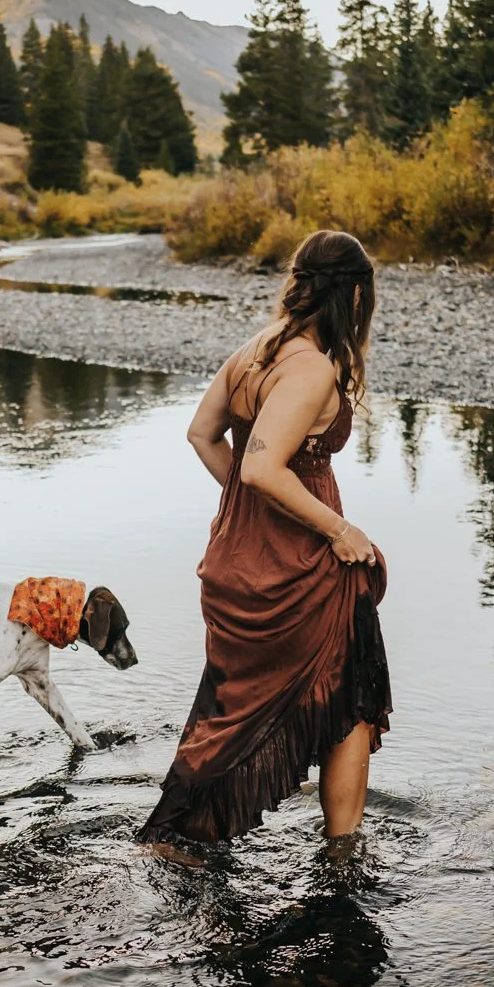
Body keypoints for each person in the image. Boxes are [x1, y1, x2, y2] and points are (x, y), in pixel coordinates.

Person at [137, 230, 392, 849]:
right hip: (298, 568)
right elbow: (260, 468)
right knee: (350, 703)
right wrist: (340, 528)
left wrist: (253, 510)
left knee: (232, 711)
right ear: (355, 296)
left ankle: (179, 837)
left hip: (240, 557)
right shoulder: (311, 369)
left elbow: (203, 435)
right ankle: (343, 856)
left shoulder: (255, 350)